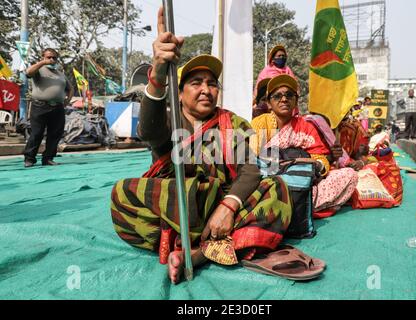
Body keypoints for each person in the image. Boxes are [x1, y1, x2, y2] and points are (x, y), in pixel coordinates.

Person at [110, 8, 313, 285]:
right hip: (177, 205)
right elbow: (149, 131)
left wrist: (228, 207)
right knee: (122, 194)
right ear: (179, 93)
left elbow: (249, 171)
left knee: (276, 189)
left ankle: (199, 253)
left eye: (212, 83)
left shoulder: (234, 123)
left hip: (222, 207)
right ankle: (214, 242)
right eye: (196, 83)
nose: (206, 89)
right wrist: (158, 70)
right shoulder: (168, 118)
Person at [250, 74, 358, 215]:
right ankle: (293, 208)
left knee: (350, 175)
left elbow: (320, 157)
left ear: (295, 101)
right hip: (270, 184)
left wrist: (315, 166)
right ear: (269, 103)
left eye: (289, 95)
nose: (284, 99)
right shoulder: (261, 123)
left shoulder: (305, 126)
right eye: (277, 96)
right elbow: (251, 159)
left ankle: (295, 208)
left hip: (302, 184)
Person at [23, 48, 73, 167]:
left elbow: (70, 89)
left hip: (58, 108)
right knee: (36, 133)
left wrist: (67, 101)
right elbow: (28, 72)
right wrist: (42, 63)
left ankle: (48, 158)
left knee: (55, 134)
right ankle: (29, 159)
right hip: (40, 106)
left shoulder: (60, 74)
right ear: (43, 57)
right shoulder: (39, 70)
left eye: (54, 58)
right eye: (48, 57)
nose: (51, 60)